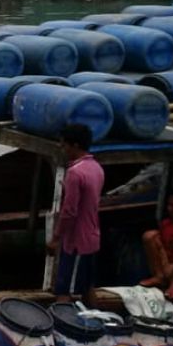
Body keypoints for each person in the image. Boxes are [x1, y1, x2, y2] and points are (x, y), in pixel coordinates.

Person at [49, 123, 105, 304]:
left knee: (64, 290)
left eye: (64, 144)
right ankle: (98, 320)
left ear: (75, 145)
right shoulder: (96, 167)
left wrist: (56, 238)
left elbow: (69, 211)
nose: (62, 148)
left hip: (76, 242)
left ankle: (62, 327)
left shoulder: (75, 172)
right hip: (92, 237)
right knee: (87, 286)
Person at [140, 188, 173, 289]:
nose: (169, 208)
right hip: (167, 268)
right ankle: (158, 277)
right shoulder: (166, 224)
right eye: (168, 205)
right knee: (149, 235)